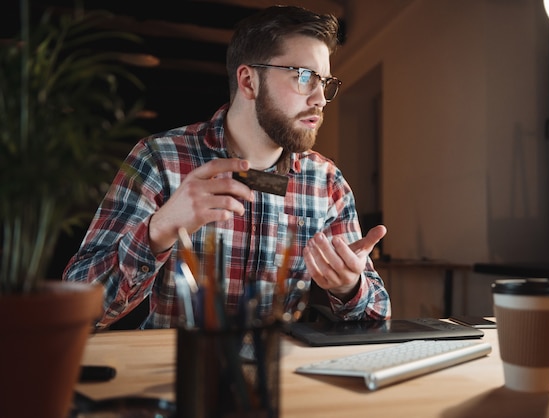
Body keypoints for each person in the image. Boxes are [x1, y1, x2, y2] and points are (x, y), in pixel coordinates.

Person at [63, 5, 391, 329]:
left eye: (325, 81)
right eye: (304, 76)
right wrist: (158, 230)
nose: (320, 98)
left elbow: (378, 317)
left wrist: (349, 288)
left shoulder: (327, 182)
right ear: (248, 81)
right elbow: (78, 310)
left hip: (274, 374)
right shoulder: (159, 159)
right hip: (178, 375)